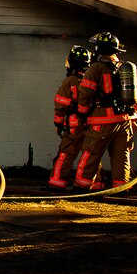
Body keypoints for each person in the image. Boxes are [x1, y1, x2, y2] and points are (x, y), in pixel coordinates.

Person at [73, 32, 137, 192]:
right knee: (121, 156)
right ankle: (122, 188)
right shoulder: (126, 69)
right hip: (124, 121)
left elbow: (85, 94)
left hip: (101, 121)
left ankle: (81, 187)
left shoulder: (95, 68)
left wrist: (82, 115)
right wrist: (131, 114)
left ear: (98, 49)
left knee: (90, 154)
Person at [47, 45, 95, 191]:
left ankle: (57, 182)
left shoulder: (70, 81)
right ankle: (94, 183)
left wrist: (58, 123)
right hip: (92, 123)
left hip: (75, 123)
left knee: (66, 153)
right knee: (90, 154)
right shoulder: (91, 79)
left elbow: (61, 104)